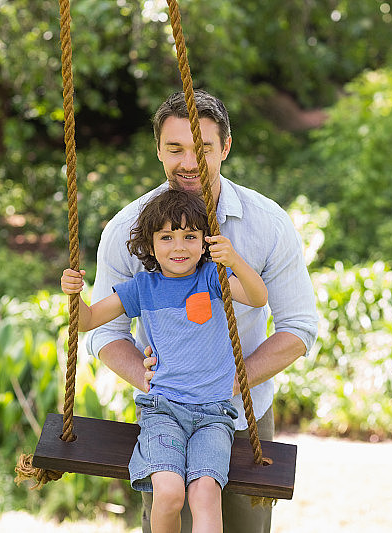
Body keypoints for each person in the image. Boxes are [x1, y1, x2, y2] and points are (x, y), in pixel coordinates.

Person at [86, 90, 319, 533]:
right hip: (166, 415)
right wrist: (153, 380)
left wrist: (230, 381)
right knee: (170, 510)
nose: (188, 162)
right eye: (175, 148)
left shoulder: (267, 223)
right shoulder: (126, 230)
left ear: (225, 147)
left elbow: (299, 328)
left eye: (203, 148)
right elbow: (104, 331)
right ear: (158, 150)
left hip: (243, 414)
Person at [62, 188, 268, 533]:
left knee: (205, 494)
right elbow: (87, 320)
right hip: (164, 409)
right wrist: (73, 294)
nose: (179, 246)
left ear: (205, 242)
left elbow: (258, 298)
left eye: (190, 236)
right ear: (151, 243)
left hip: (213, 413)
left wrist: (233, 260)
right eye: (167, 237)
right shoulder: (142, 287)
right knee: (169, 492)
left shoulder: (212, 278)